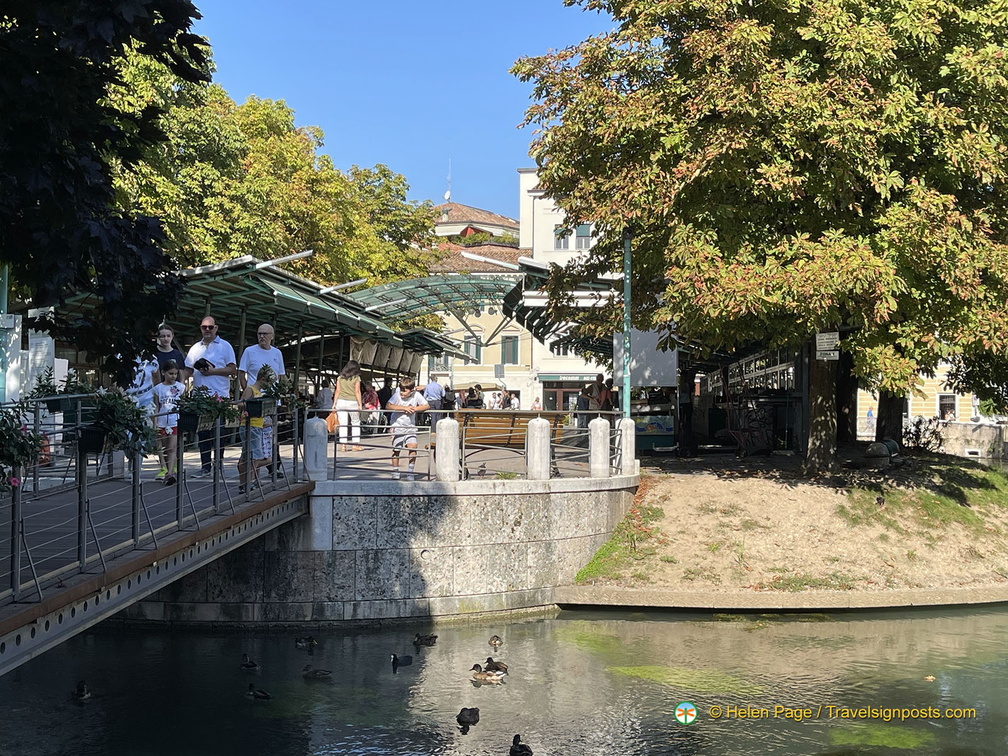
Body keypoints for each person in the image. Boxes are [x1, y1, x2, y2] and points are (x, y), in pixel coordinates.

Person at [185, 316, 237, 476]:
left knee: (220, 432)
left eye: (210, 327)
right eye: (204, 327)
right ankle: (205, 466)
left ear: (216, 328)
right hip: (201, 398)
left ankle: (218, 463)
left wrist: (213, 371)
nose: (207, 330)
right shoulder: (195, 348)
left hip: (219, 397)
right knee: (203, 433)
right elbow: (188, 369)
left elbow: (232, 369)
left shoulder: (225, 346)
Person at [237, 364, 276, 492]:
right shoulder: (251, 389)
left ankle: (245, 482)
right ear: (263, 379)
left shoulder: (258, 391)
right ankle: (249, 481)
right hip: (251, 425)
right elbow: (241, 404)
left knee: (249, 455)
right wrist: (255, 404)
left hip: (257, 425)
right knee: (255, 456)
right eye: (269, 382)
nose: (269, 386)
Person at [386, 378, 429, 481]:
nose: (402, 393)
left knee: (413, 446)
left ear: (412, 390)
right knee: (396, 449)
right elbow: (388, 405)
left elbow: (426, 405)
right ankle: (395, 471)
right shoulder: (397, 395)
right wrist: (403, 408)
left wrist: (414, 409)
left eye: (405, 390)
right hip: (398, 425)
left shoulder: (416, 395)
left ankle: (410, 471)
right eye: (401, 389)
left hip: (410, 426)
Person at [152, 360, 185, 486]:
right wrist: (155, 423)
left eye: (175, 374)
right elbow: (156, 406)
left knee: (172, 447)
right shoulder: (158, 389)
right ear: (163, 373)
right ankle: (165, 469)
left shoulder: (180, 388)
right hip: (161, 421)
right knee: (163, 447)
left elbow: (183, 403)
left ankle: (170, 472)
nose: (173, 376)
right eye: (171, 373)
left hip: (174, 420)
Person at [238, 323, 286, 390]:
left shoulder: (277, 353)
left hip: (273, 396)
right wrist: (247, 391)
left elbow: (280, 375)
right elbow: (241, 373)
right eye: (259, 334)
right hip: (254, 396)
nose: (262, 336)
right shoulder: (249, 351)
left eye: (265, 334)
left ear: (272, 336)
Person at [333, 360, 363, 452]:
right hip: (352, 402)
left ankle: (343, 446)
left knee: (343, 424)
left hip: (341, 402)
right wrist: (360, 404)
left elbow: (337, 391)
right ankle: (355, 445)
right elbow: (357, 392)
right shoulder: (356, 378)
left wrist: (334, 403)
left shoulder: (340, 378)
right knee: (355, 422)